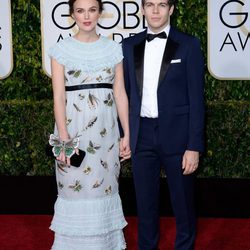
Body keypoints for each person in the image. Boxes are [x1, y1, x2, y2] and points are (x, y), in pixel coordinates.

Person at [48, 0, 131, 249]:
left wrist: (126, 133)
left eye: (92, 10)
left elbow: (120, 93)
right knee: (74, 188)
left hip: (106, 134)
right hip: (72, 132)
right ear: (72, 14)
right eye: (80, 10)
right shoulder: (60, 50)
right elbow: (59, 97)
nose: (87, 16)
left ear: (100, 13)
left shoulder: (114, 48)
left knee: (103, 188)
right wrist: (64, 137)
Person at [122, 0, 205, 249]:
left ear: (171, 9)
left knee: (183, 203)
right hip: (141, 135)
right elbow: (123, 94)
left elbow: (197, 99)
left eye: (161, 5)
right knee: (145, 204)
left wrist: (194, 145)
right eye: (150, 5)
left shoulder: (189, 45)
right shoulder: (128, 45)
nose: (155, 10)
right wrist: (124, 135)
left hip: (178, 138)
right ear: (143, 9)